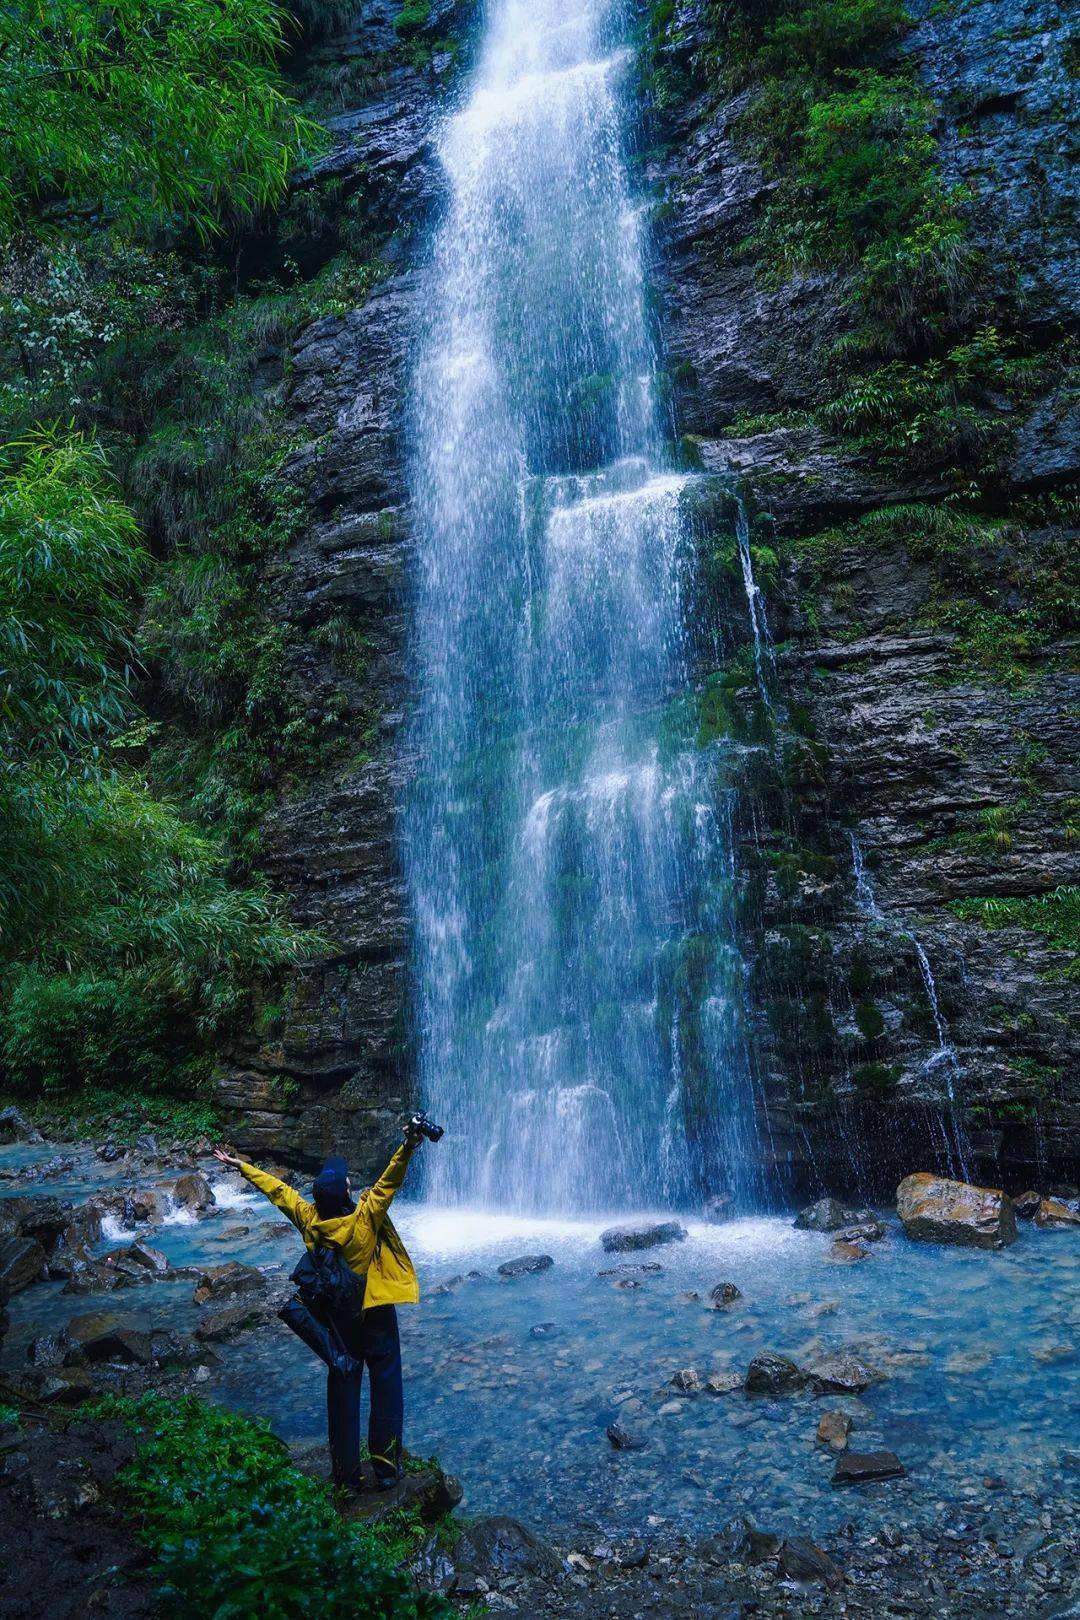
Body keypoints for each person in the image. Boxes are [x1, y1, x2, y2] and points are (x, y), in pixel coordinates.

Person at [211, 1121, 423, 1492]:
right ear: (345, 1191)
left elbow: (278, 1192)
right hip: (374, 1313)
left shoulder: (309, 1221)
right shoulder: (364, 1217)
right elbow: (391, 1178)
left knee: (343, 1393)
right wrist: (409, 1143)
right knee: (386, 1385)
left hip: (339, 1322)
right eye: (345, 1182)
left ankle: (346, 1477)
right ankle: (387, 1469)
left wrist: (240, 1166)